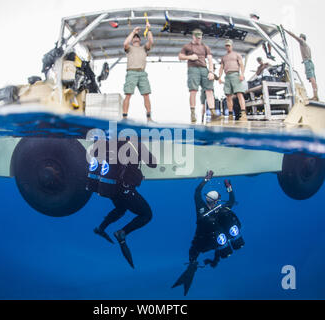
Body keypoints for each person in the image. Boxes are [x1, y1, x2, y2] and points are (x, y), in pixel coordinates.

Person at [172, 170, 244, 296]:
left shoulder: (201, 208)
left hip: (201, 243)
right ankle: (215, 260)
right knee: (219, 238)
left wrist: (206, 179)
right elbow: (232, 200)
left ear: (207, 200)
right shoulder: (222, 209)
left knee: (195, 251)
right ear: (216, 201)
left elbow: (197, 192)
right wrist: (229, 187)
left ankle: (193, 265)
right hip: (215, 242)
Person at [87, 138, 157, 268]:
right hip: (125, 190)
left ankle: (101, 228)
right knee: (147, 214)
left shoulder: (109, 142)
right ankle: (122, 233)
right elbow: (153, 164)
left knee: (121, 208)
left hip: (111, 188)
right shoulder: (136, 144)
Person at [178, 28, 217, 124]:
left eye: (200, 37)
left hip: (204, 68)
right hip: (193, 69)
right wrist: (190, 57)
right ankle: (192, 113)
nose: (199, 39)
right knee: (193, 90)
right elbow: (180, 56)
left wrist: (211, 72)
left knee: (209, 90)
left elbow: (210, 60)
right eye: (197, 37)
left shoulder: (205, 47)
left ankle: (213, 113)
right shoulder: (187, 46)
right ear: (193, 36)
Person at [122, 22, 154, 121]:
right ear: (132, 40)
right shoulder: (129, 48)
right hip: (131, 73)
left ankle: (149, 118)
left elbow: (151, 41)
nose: (135, 37)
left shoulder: (144, 48)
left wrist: (148, 29)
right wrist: (133, 32)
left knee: (146, 95)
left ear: (140, 40)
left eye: (137, 36)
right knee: (128, 94)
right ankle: (124, 118)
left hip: (142, 73)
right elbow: (125, 43)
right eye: (134, 37)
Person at [284, 29, 318, 101]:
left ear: (302, 38)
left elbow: (294, 36)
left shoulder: (302, 42)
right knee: (313, 79)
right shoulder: (307, 46)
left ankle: (315, 96)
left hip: (308, 63)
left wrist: (285, 30)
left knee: (312, 79)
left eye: (300, 38)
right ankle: (315, 95)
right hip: (309, 62)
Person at [218, 39, 247, 121]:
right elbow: (221, 68)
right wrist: (220, 77)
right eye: (226, 45)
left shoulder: (237, 55)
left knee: (239, 94)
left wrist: (242, 74)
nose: (228, 47)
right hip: (227, 76)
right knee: (228, 96)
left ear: (232, 46)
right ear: (225, 46)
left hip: (236, 75)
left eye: (229, 45)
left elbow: (241, 65)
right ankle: (230, 115)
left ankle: (243, 114)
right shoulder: (223, 57)